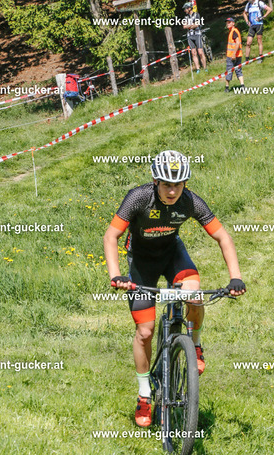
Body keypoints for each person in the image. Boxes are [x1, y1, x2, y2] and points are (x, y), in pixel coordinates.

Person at [103, 151, 246, 427]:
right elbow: (111, 236)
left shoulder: (190, 201)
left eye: (178, 185)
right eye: (166, 185)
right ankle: (144, 394)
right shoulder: (138, 198)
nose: (172, 191)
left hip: (172, 255)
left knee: (194, 293)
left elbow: (222, 236)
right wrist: (116, 275)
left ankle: (195, 345)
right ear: (155, 181)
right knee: (145, 332)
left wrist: (235, 278)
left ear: (185, 184)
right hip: (141, 262)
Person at [182, 1, 208, 74]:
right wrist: (191, 25)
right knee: (193, 53)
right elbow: (184, 26)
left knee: (200, 52)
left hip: (197, 34)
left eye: (185, 9)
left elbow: (197, 24)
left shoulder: (196, 15)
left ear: (189, 8)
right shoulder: (186, 17)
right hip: (190, 36)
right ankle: (198, 69)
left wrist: (189, 25)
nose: (184, 10)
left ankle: (205, 67)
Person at [225, 17, 245, 93]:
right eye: (227, 22)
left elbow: (237, 42)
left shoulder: (234, 31)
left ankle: (227, 87)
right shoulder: (232, 31)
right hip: (238, 55)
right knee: (238, 70)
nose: (227, 24)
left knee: (229, 71)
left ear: (233, 23)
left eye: (229, 22)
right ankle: (242, 86)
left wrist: (233, 54)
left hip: (232, 56)